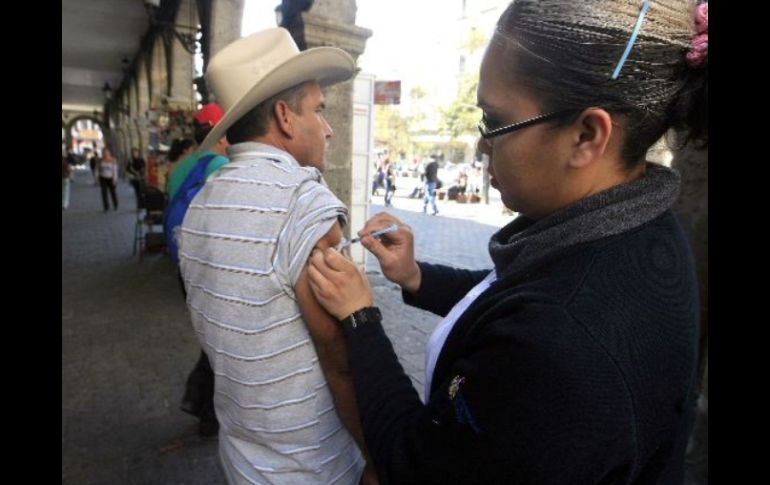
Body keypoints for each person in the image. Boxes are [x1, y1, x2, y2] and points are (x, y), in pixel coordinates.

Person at [305, 1, 707, 483]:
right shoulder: (643, 229)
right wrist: (416, 277)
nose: (482, 145)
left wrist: (360, 318)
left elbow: (414, 463)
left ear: (586, 135)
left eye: (495, 122)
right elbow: (511, 294)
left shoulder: (558, 349)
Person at [177, 28, 375, 484]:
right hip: (316, 465)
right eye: (319, 110)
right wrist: (377, 453)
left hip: (243, 457)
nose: (328, 128)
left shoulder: (202, 203)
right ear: (285, 117)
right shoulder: (304, 205)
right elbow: (341, 357)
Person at [172, 105, 229, 439]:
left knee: (210, 338)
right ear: (220, 134)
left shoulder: (181, 166)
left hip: (185, 265)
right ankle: (206, 408)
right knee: (219, 340)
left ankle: (204, 406)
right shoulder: (220, 166)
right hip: (210, 267)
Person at [97, 148, 119, 212]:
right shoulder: (100, 160)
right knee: (104, 193)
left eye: (107, 152)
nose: (105, 154)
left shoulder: (113, 160)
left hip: (111, 178)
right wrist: (97, 177)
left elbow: (115, 170)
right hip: (103, 177)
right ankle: (106, 207)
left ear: (109, 153)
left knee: (113, 192)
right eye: (104, 152)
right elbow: (98, 169)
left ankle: (115, 204)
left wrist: (115, 179)